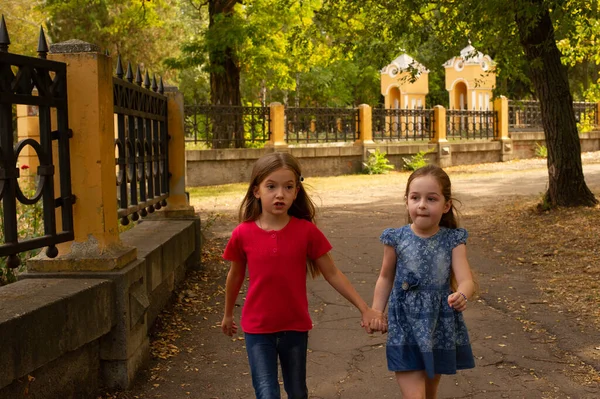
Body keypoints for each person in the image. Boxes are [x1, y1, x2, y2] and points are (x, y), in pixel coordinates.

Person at [221, 152, 382, 399]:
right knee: (266, 394)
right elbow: (234, 276)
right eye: (271, 186)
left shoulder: (306, 232)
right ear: (256, 191)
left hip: (295, 327)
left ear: (296, 192)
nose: (280, 194)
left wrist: (364, 308)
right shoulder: (242, 234)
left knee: (297, 392)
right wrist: (228, 313)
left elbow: (333, 274)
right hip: (257, 329)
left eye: (288, 187)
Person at [368, 165, 476, 399]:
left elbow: (466, 279)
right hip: (404, 326)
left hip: (438, 325)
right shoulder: (396, 238)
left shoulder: (453, 240)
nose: (422, 205)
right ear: (406, 201)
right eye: (415, 198)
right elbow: (385, 277)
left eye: (431, 199)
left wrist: (462, 295)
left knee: (429, 393)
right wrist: (376, 310)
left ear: (446, 205)